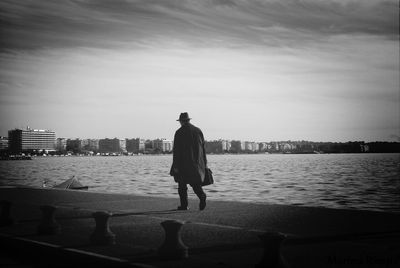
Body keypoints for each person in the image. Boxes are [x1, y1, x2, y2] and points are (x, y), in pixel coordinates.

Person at [170, 112, 207, 211]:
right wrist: (205, 163)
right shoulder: (198, 131)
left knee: (182, 186)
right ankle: (202, 195)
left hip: (183, 163)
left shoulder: (179, 132)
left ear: (181, 121)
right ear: (189, 120)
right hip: (197, 163)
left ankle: (184, 205)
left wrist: (175, 165)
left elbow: (176, 151)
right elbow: (203, 149)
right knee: (195, 183)